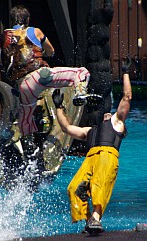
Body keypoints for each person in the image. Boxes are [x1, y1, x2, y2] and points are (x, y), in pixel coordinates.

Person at [0, 5, 100, 154]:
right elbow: (51, 50)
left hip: (23, 86)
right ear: (27, 20)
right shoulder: (35, 31)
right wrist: (43, 53)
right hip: (40, 76)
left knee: (25, 120)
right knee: (81, 73)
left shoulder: (0, 38)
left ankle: (28, 146)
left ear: (11, 20)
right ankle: (79, 93)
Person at [52, 56, 132, 234]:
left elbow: (127, 97)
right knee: (73, 188)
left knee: (99, 184)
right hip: (90, 158)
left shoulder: (116, 122)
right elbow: (66, 128)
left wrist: (125, 73)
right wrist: (58, 107)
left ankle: (96, 219)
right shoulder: (90, 131)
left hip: (107, 155)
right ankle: (90, 221)